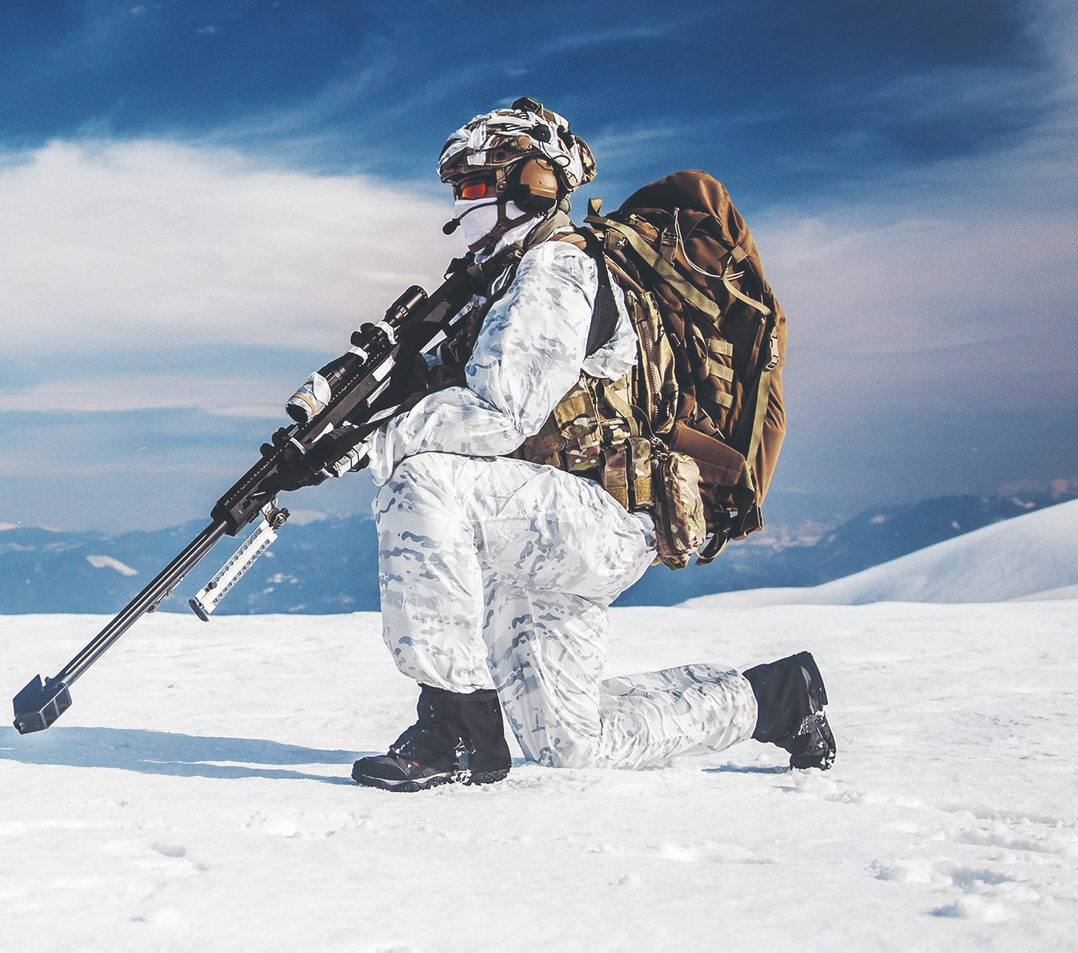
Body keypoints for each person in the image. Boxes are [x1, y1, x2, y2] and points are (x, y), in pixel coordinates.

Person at [348, 97, 835, 791]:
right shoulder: (507, 284)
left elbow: (499, 412)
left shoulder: (559, 269)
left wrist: (380, 439)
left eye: (480, 184)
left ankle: (456, 726)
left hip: (594, 515)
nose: (465, 204)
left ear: (537, 184)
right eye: (459, 189)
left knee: (420, 481)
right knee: (573, 742)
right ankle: (776, 700)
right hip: (553, 528)